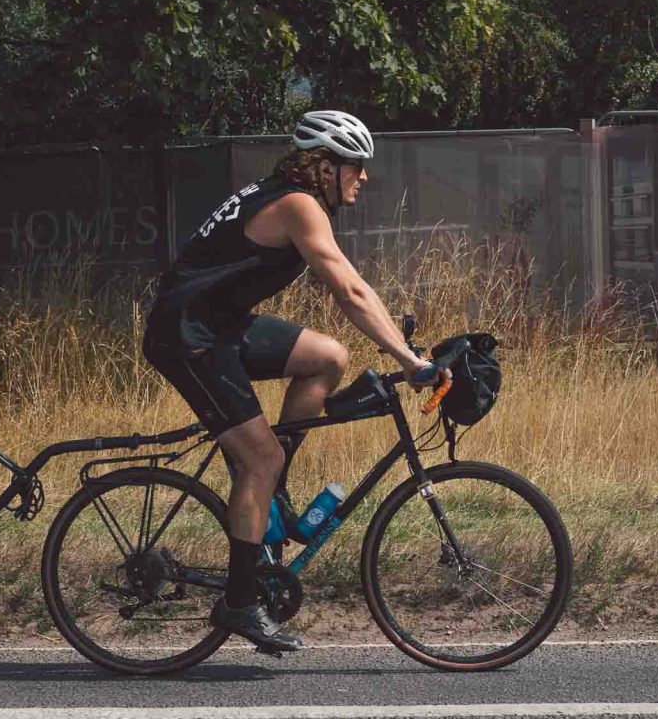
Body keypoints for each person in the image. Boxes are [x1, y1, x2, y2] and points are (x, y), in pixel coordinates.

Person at [141, 109, 438, 652]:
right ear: (324, 168)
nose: (364, 177)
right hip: (187, 337)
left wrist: (404, 350)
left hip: (219, 327)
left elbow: (355, 289)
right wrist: (407, 360)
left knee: (327, 358)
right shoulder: (298, 206)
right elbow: (349, 291)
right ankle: (237, 603)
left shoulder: (288, 195)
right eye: (356, 166)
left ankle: (269, 495)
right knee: (260, 457)